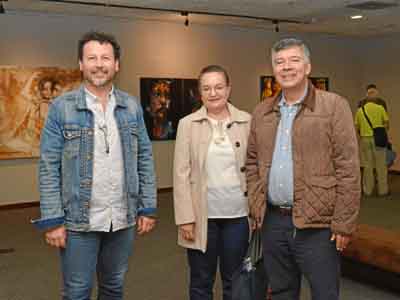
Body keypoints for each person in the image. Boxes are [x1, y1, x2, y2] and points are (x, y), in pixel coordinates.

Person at [32, 31, 157, 300]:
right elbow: (48, 166)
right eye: (92, 58)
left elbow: (144, 157)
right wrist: (52, 220)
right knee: (77, 292)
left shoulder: (131, 106)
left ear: (116, 64)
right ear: (81, 64)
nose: (99, 64)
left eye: (105, 58)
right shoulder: (61, 108)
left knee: (113, 287)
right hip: (79, 220)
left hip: (122, 218)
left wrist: (147, 206)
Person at [246, 38, 360, 300]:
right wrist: (255, 204)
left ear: (308, 66)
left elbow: (348, 168)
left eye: (294, 60)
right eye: (279, 62)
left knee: (324, 292)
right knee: (282, 291)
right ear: (273, 69)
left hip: (319, 227)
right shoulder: (262, 111)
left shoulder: (334, 106)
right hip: (273, 222)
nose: (286, 67)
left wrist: (343, 223)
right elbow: (251, 162)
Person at [173, 65, 251, 300]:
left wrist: (257, 212)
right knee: (201, 281)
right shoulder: (187, 124)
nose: (213, 93)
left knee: (235, 279)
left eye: (218, 87)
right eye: (206, 88)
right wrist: (185, 218)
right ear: (200, 92)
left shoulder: (247, 121)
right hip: (201, 217)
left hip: (238, 216)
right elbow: (180, 173)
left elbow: (256, 170)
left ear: (228, 89)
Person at [355, 99, 389, 196]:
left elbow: (357, 127)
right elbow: (387, 124)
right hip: (378, 140)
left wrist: (362, 134)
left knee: (367, 166)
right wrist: (381, 132)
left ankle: (367, 190)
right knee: (381, 165)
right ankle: (383, 190)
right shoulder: (380, 108)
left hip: (365, 139)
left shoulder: (360, 111)